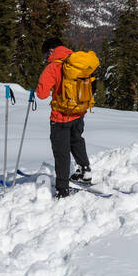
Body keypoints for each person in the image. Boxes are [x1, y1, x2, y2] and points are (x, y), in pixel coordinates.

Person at [34, 37, 94, 198]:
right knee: (76, 140)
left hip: (61, 117)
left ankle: (62, 188)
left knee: (61, 152)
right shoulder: (75, 60)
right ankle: (85, 171)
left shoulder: (53, 67)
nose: (46, 58)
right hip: (79, 112)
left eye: (46, 54)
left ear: (52, 50)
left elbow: (41, 94)